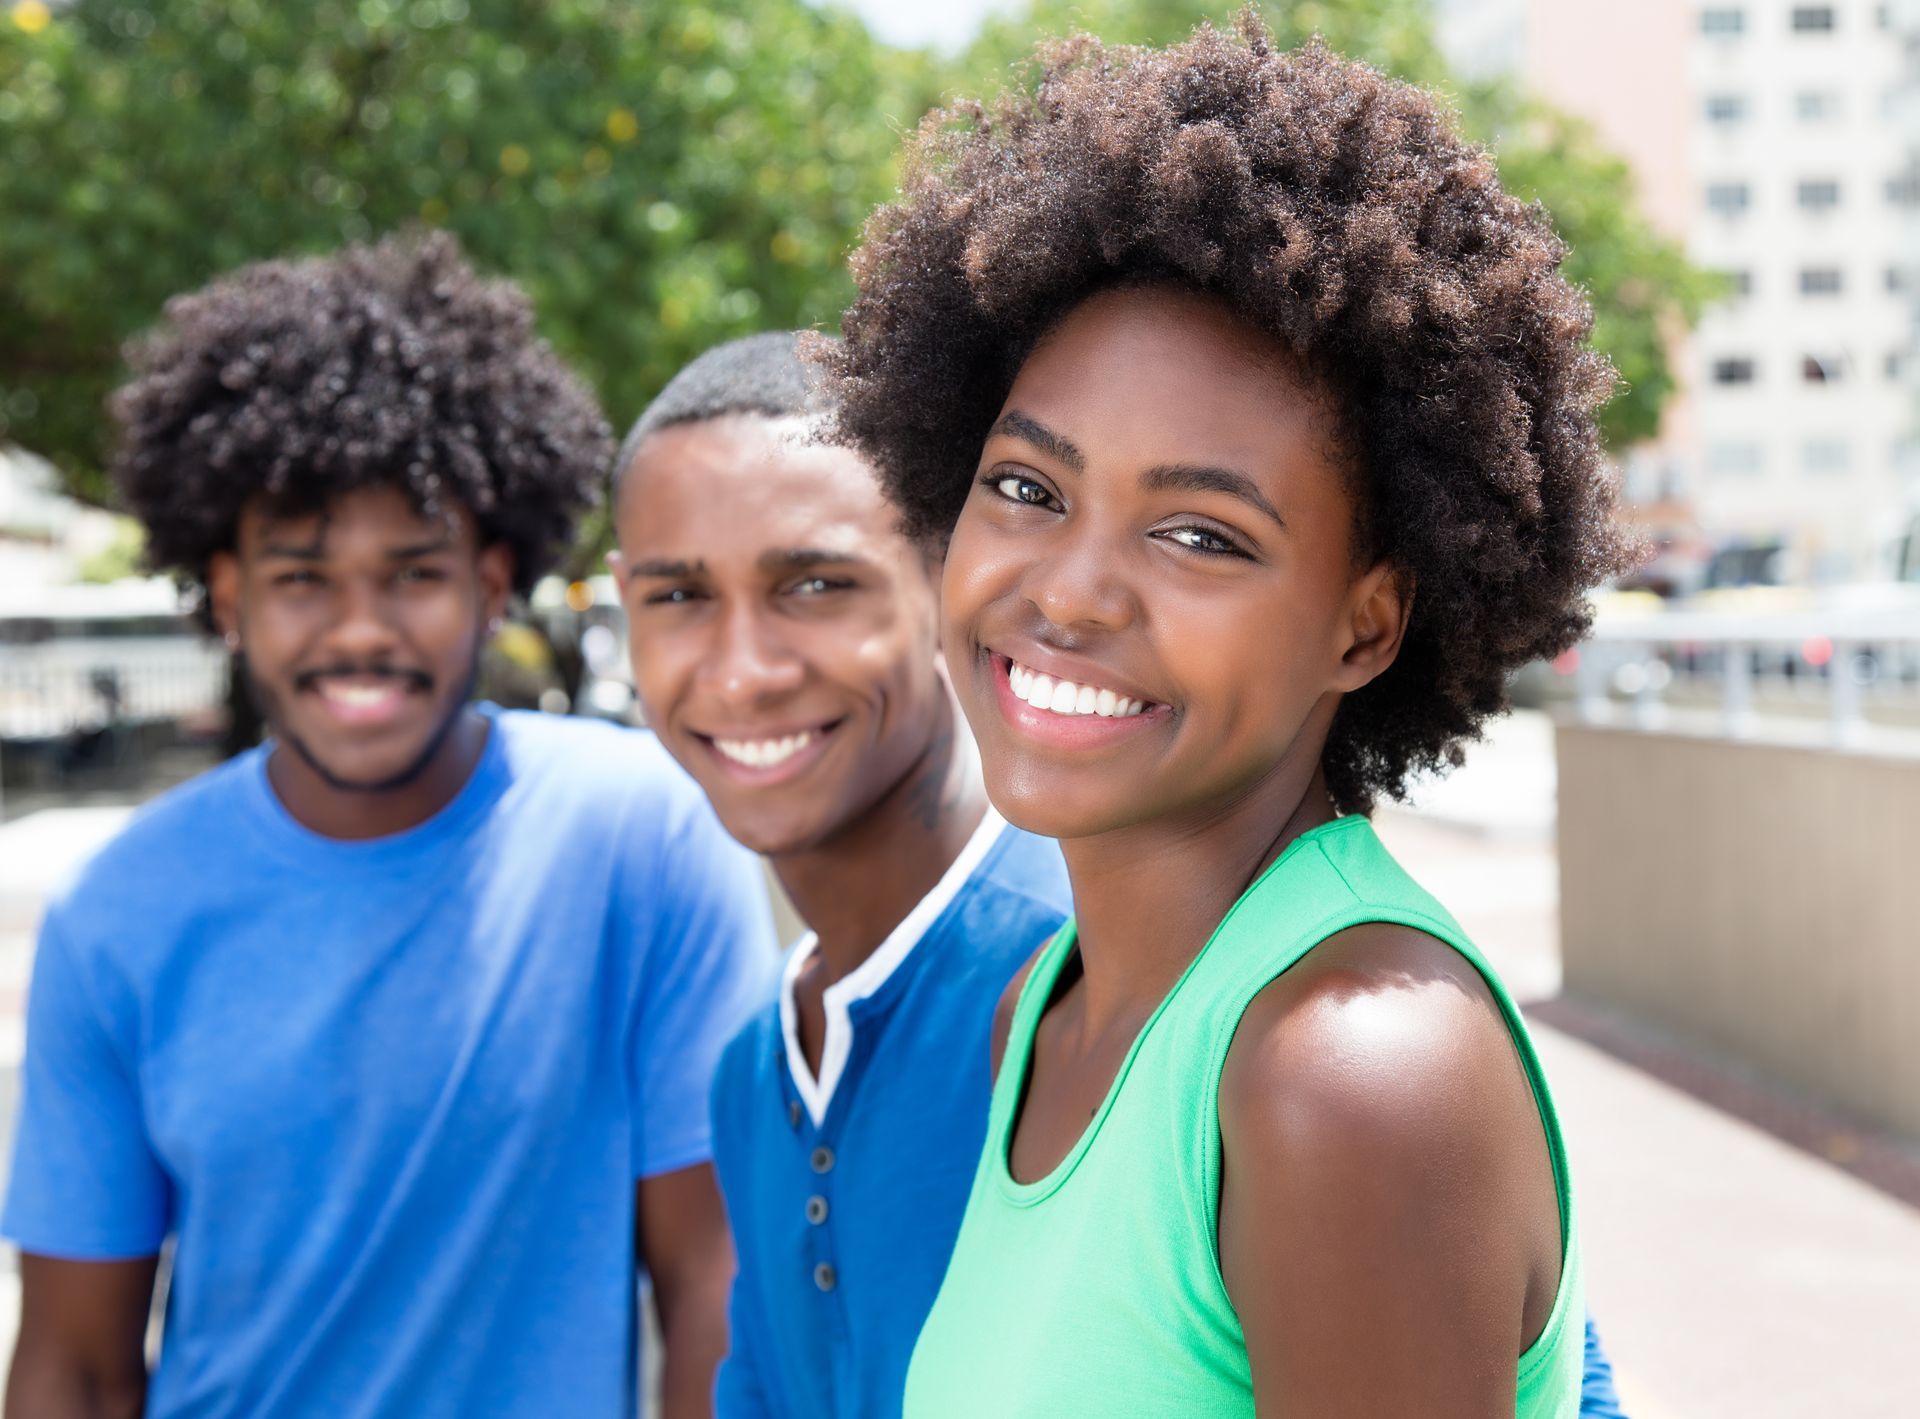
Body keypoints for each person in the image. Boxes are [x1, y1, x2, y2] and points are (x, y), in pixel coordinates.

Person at [821, 20, 1637, 1418]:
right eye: (1027, 486)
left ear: (1365, 623)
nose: (1070, 591)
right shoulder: (1047, 1007)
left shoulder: (1346, 1068)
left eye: (1198, 532)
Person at [2, 235, 774, 1419]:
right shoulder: (121, 913)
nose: (360, 629)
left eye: (413, 572)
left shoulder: (643, 838)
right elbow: (76, 1363)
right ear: (227, 596)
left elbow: (710, 1283)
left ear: (492, 579)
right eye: (303, 578)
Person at [609, 333, 1072, 1419]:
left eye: (815, 584)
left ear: (948, 581)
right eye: (678, 597)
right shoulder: (755, 1069)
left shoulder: (1100, 987)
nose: (741, 669)